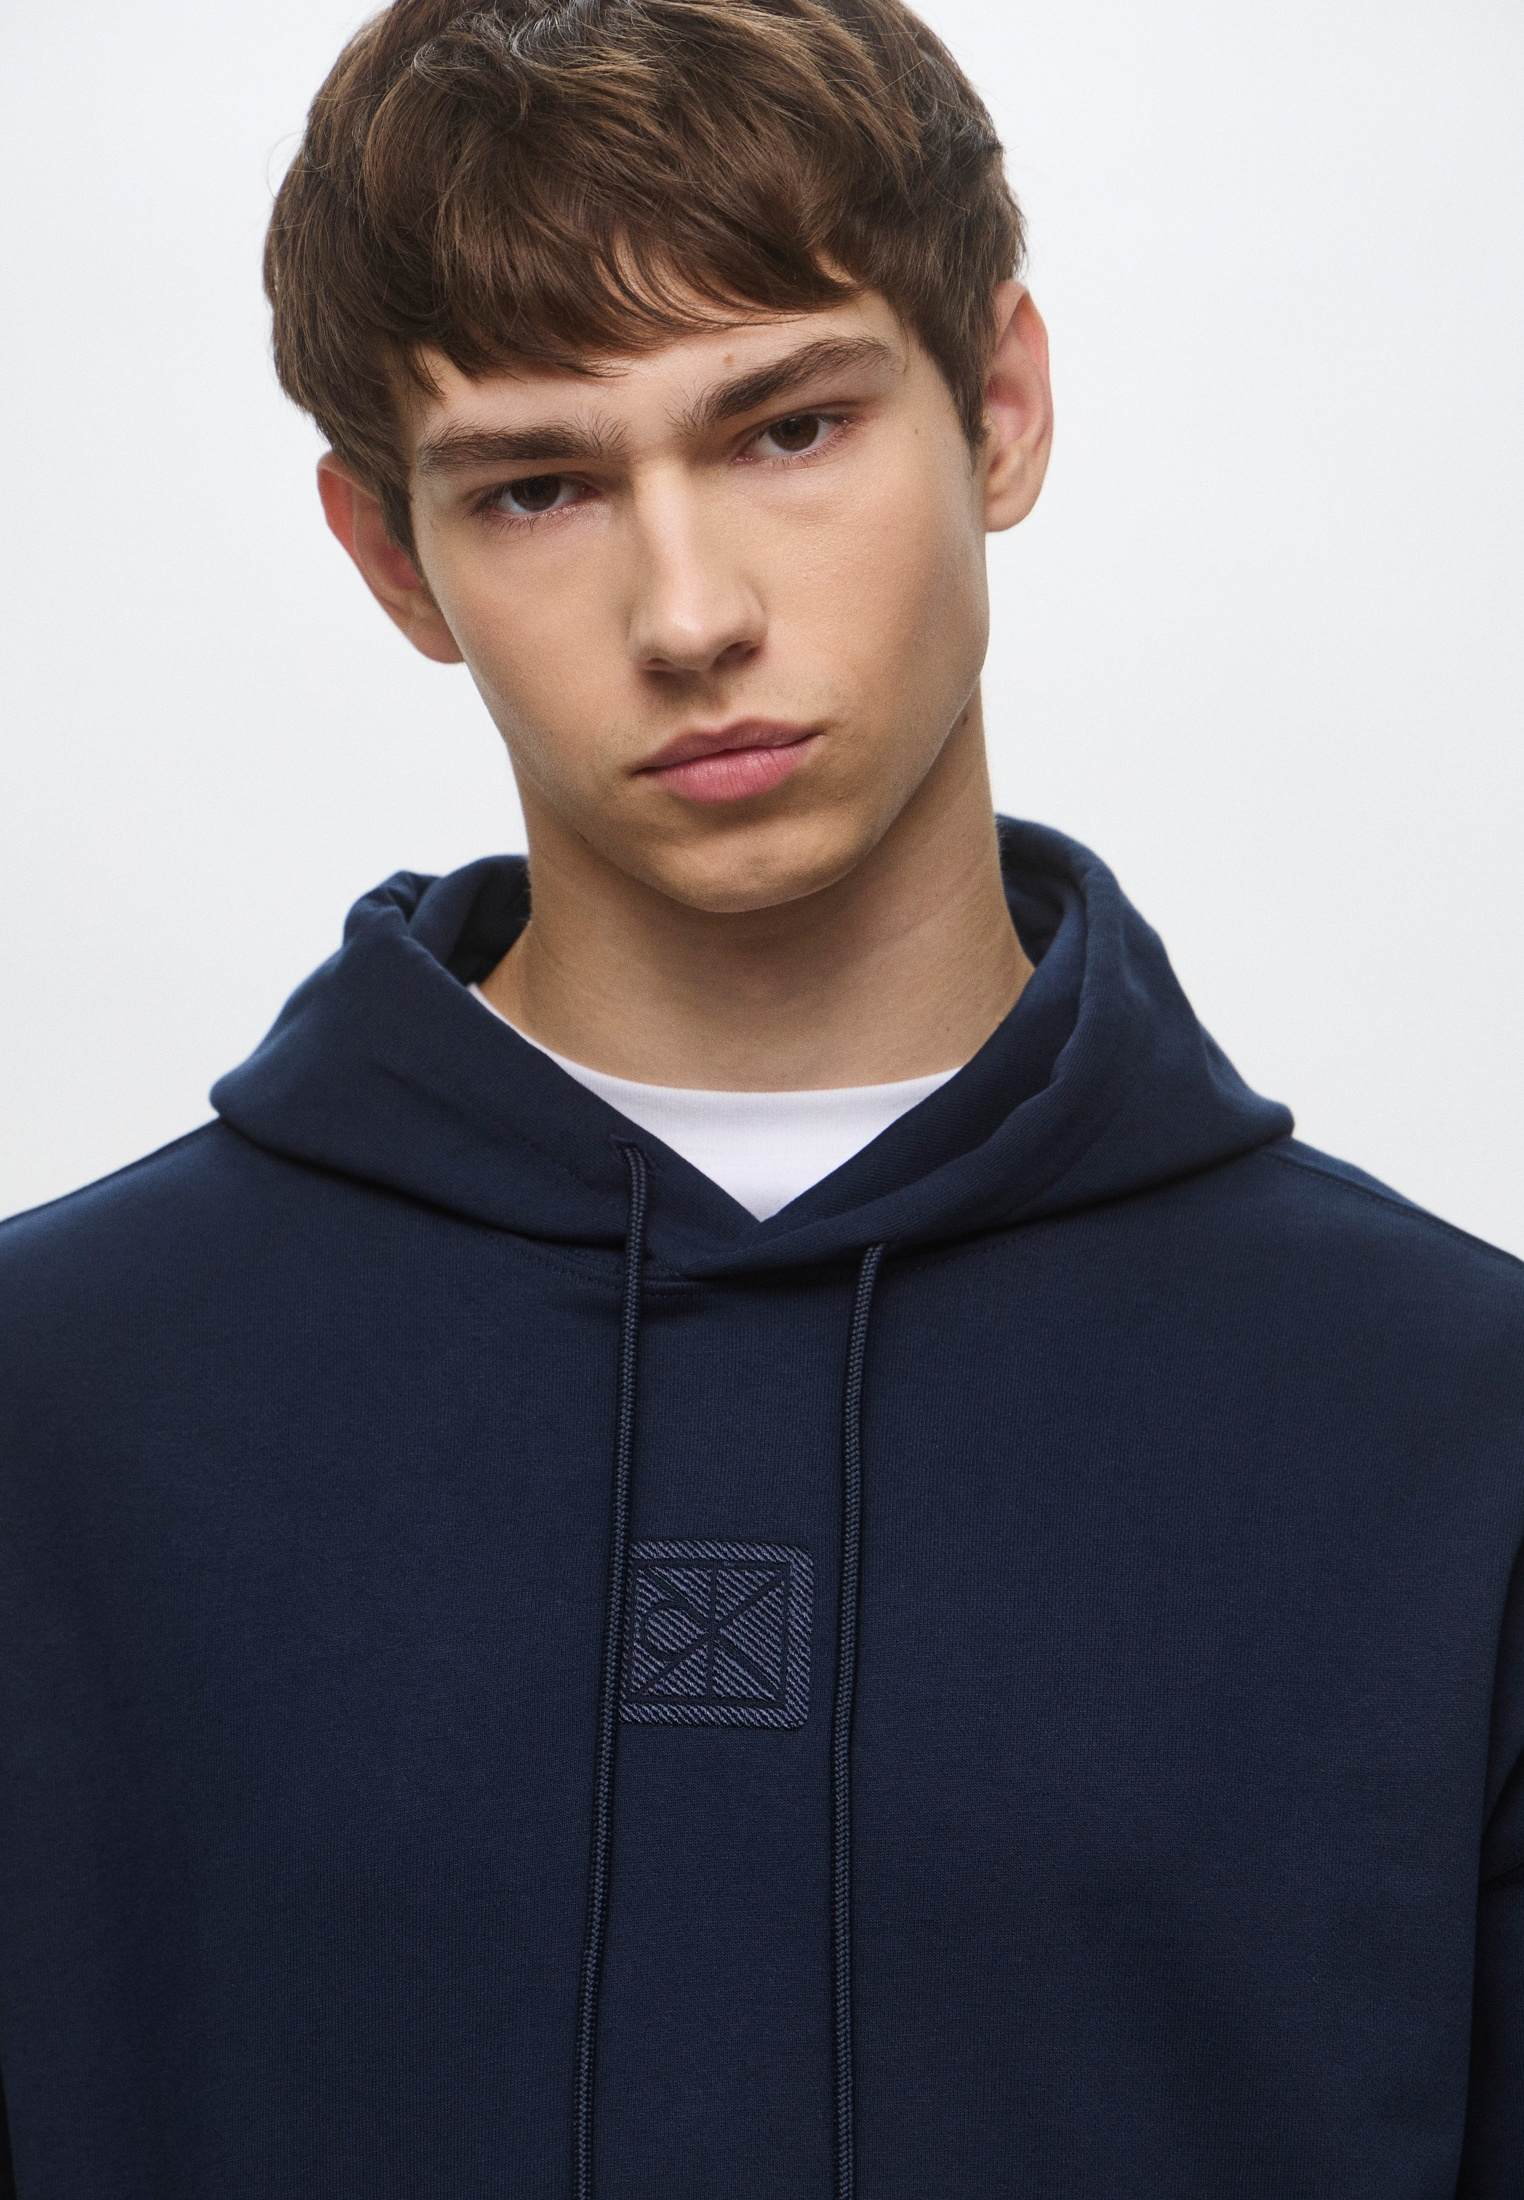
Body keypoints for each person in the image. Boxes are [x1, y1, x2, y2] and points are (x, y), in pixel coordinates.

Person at [0, 0, 1519, 2192]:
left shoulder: (1462, 1430)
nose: (690, 611)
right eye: (538, 485)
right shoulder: (52, 1411)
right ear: (392, 557)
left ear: (1001, 406)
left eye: (790, 428)